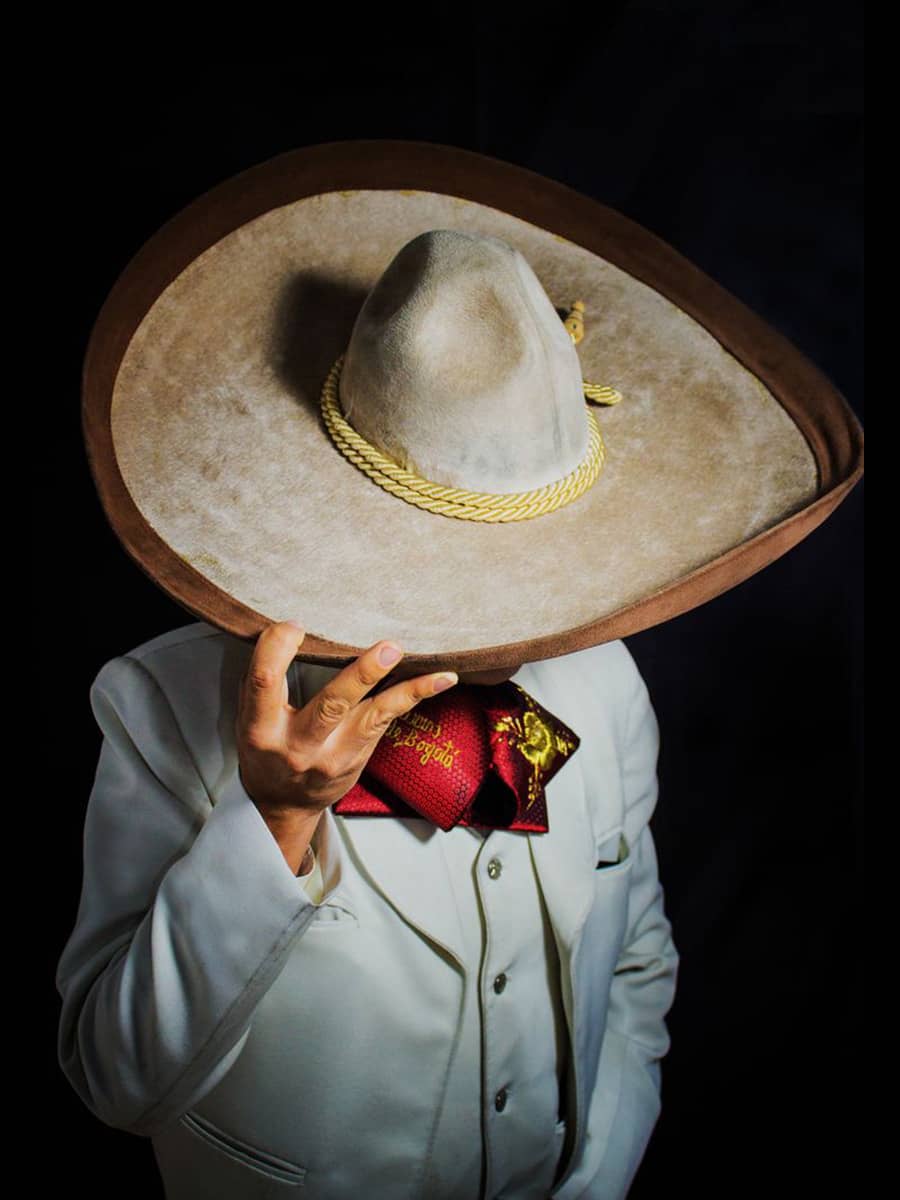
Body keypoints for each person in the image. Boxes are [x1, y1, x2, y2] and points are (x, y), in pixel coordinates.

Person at [58, 144, 863, 1199]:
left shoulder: (604, 682)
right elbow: (115, 1081)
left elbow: (637, 960)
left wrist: (598, 1172)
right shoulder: (160, 706)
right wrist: (270, 823)